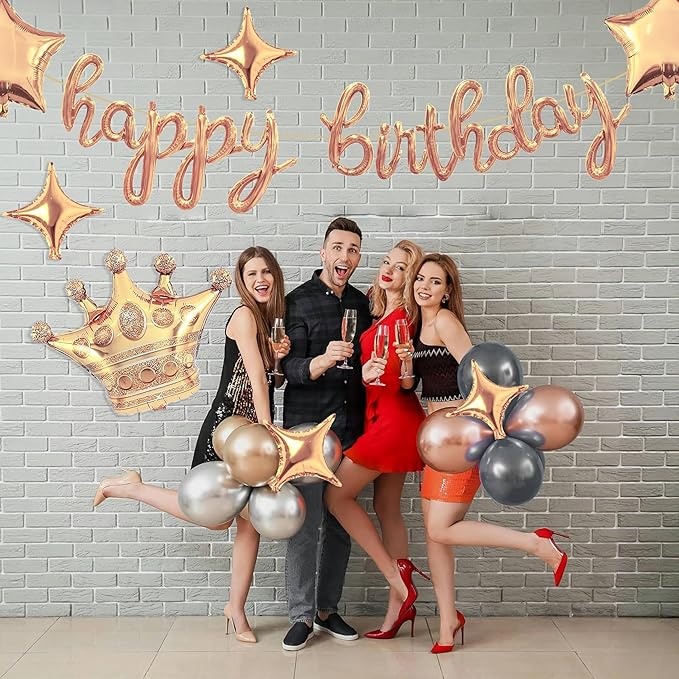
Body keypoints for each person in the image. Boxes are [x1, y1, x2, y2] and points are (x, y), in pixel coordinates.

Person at [92, 246, 290, 645]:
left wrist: (277, 359)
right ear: (242, 282)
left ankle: (236, 609)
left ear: (276, 276)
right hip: (227, 430)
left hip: (249, 434)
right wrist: (270, 430)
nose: (260, 279)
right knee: (214, 518)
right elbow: (254, 376)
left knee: (249, 522)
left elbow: (269, 379)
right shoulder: (244, 315)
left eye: (266, 272)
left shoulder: (268, 323)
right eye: (252, 274)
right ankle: (131, 487)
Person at [397, 253, 569, 654]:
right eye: (420, 278)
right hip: (437, 442)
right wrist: (406, 367)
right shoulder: (417, 325)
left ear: (447, 291)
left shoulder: (445, 321)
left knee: (441, 529)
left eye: (435, 282)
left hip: (464, 439)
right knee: (436, 537)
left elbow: (482, 380)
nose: (424, 286)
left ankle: (536, 543)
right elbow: (412, 387)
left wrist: (465, 422)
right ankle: (448, 621)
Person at [324, 240, 429, 639]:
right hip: (380, 420)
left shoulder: (405, 318)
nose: (389, 270)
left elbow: (403, 380)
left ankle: (398, 581)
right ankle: (396, 611)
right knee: (387, 508)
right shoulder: (380, 310)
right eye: (387, 262)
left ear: (410, 277)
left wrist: (372, 374)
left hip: (394, 422)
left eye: (400, 268)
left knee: (336, 496)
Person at [280, 217, 372, 651]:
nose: (345, 256)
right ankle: (300, 615)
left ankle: (326, 609)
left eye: (352, 250)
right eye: (338, 247)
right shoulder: (296, 301)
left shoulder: (361, 302)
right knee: (305, 524)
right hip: (308, 432)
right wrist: (321, 361)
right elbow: (286, 369)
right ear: (323, 253)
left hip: (350, 430)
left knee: (339, 523)